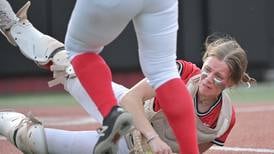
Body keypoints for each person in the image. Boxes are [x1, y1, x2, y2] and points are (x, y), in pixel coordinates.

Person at [0, 1, 256, 154]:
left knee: (32, 141)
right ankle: (16, 27)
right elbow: (132, 99)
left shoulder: (224, 117)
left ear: (232, 83)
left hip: (134, 147)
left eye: (219, 77)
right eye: (207, 69)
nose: (208, 78)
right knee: (67, 66)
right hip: (132, 116)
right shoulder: (186, 71)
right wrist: (152, 139)